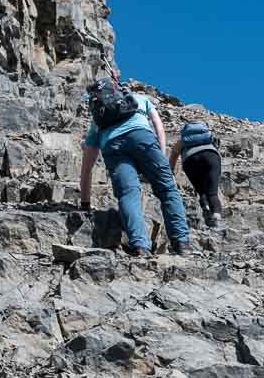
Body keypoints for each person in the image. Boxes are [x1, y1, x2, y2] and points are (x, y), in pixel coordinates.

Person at [79, 78, 191, 257]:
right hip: (142, 138)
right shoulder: (140, 99)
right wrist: (161, 157)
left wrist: (85, 203)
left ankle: (140, 246)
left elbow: (87, 168)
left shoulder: (98, 119)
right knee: (167, 189)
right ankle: (181, 243)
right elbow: (158, 127)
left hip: (112, 144)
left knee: (128, 194)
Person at [169, 121, 223, 228]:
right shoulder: (208, 137)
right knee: (212, 192)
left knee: (201, 190)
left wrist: (170, 171)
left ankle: (205, 208)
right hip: (211, 156)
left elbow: (174, 154)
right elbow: (217, 151)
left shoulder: (183, 141)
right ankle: (216, 216)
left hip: (190, 160)